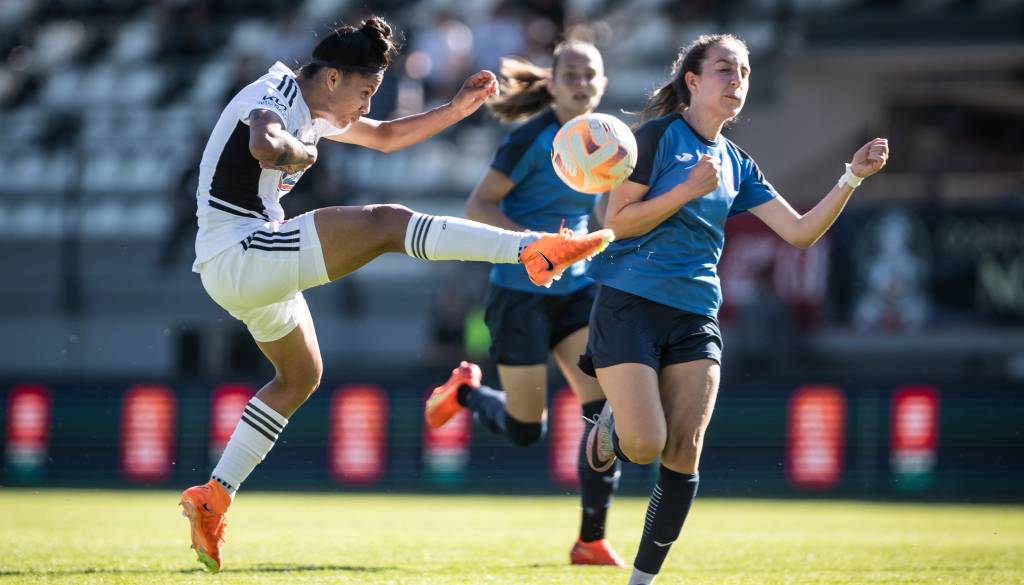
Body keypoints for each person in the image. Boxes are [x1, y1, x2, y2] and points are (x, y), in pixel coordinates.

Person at [177, 16, 615, 574]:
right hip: (241, 253)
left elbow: (385, 137)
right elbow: (265, 140)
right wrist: (295, 152)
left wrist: (455, 109)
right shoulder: (275, 95)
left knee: (300, 377)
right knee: (387, 223)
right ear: (332, 78)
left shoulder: (316, 106)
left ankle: (214, 495)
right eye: (364, 92)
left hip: (244, 264)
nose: (366, 106)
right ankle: (533, 249)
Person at [580, 34, 889, 585]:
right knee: (645, 445)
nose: (737, 81)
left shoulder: (737, 162)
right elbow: (616, 224)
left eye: (744, 72)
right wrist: (686, 190)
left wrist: (851, 178)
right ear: (693, 81)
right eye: (725, 69)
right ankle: (613, 425)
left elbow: (799, 232)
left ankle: (642, 581)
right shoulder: (653, 138)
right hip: (629, 304)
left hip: (696, 315)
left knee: (684, 451)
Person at [423, 40, 626, 567]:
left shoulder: (608, 139)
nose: (581, 82)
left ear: (603, 84)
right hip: (519, 296)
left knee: (605, 414)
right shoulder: (529, 139)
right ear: (553, 83)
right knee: (525, 429)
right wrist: (534, 246)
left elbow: (596, 216)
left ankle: (591, 540)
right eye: (571, 74)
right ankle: (466, 393)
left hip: (576, 291)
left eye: (590, 74)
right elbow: (478, 205)